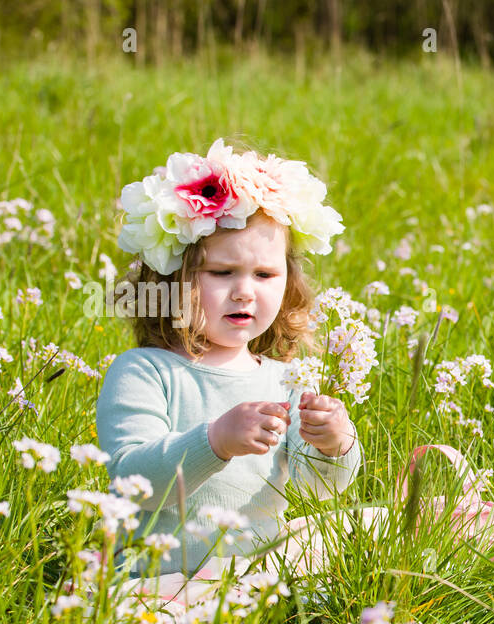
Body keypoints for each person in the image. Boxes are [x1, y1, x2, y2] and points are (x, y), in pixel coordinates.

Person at [95, 138, 360, 583]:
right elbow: (129, 480)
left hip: (260, 571)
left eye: (264, 275)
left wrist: (333, 443)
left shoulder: (286, 380)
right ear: (169, 282)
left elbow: (315, 486)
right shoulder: (145, 371)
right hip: (161, 578)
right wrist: (214, 440)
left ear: (288, 281)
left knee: (362, 527)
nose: (244, 291)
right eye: (221, 273)